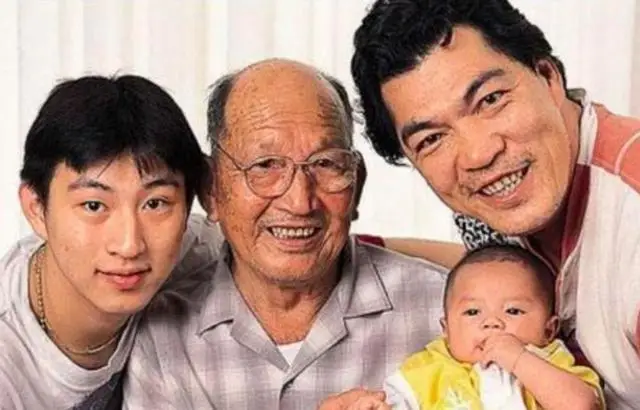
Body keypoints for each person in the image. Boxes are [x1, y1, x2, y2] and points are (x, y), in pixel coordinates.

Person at [351, 0, 640, 407]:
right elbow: (489, 265)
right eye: (432, 139)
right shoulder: (503, 198)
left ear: (548, 76)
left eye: (490, 100)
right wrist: (352, 247)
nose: (478, 154)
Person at [122, 59, 448, 409]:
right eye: (265, 166)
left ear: (357, 184)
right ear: (211, 189)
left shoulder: (448, 310)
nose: (300, 202)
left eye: (326, 163)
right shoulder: (163, 335)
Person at [0, 74, 219, 409]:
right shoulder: (9, 357)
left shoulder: (203, 254)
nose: (129, 245)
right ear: (36, 209)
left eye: (155, 203)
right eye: (93, 206)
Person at [382, 245, 603, 410]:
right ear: (446, 330)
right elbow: (392, 401)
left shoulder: (551, 361)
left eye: (513, 311)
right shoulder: (431, 368)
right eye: (472, 312)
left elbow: (582, 405)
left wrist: (518, 359)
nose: (492, 322)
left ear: (549, 330)